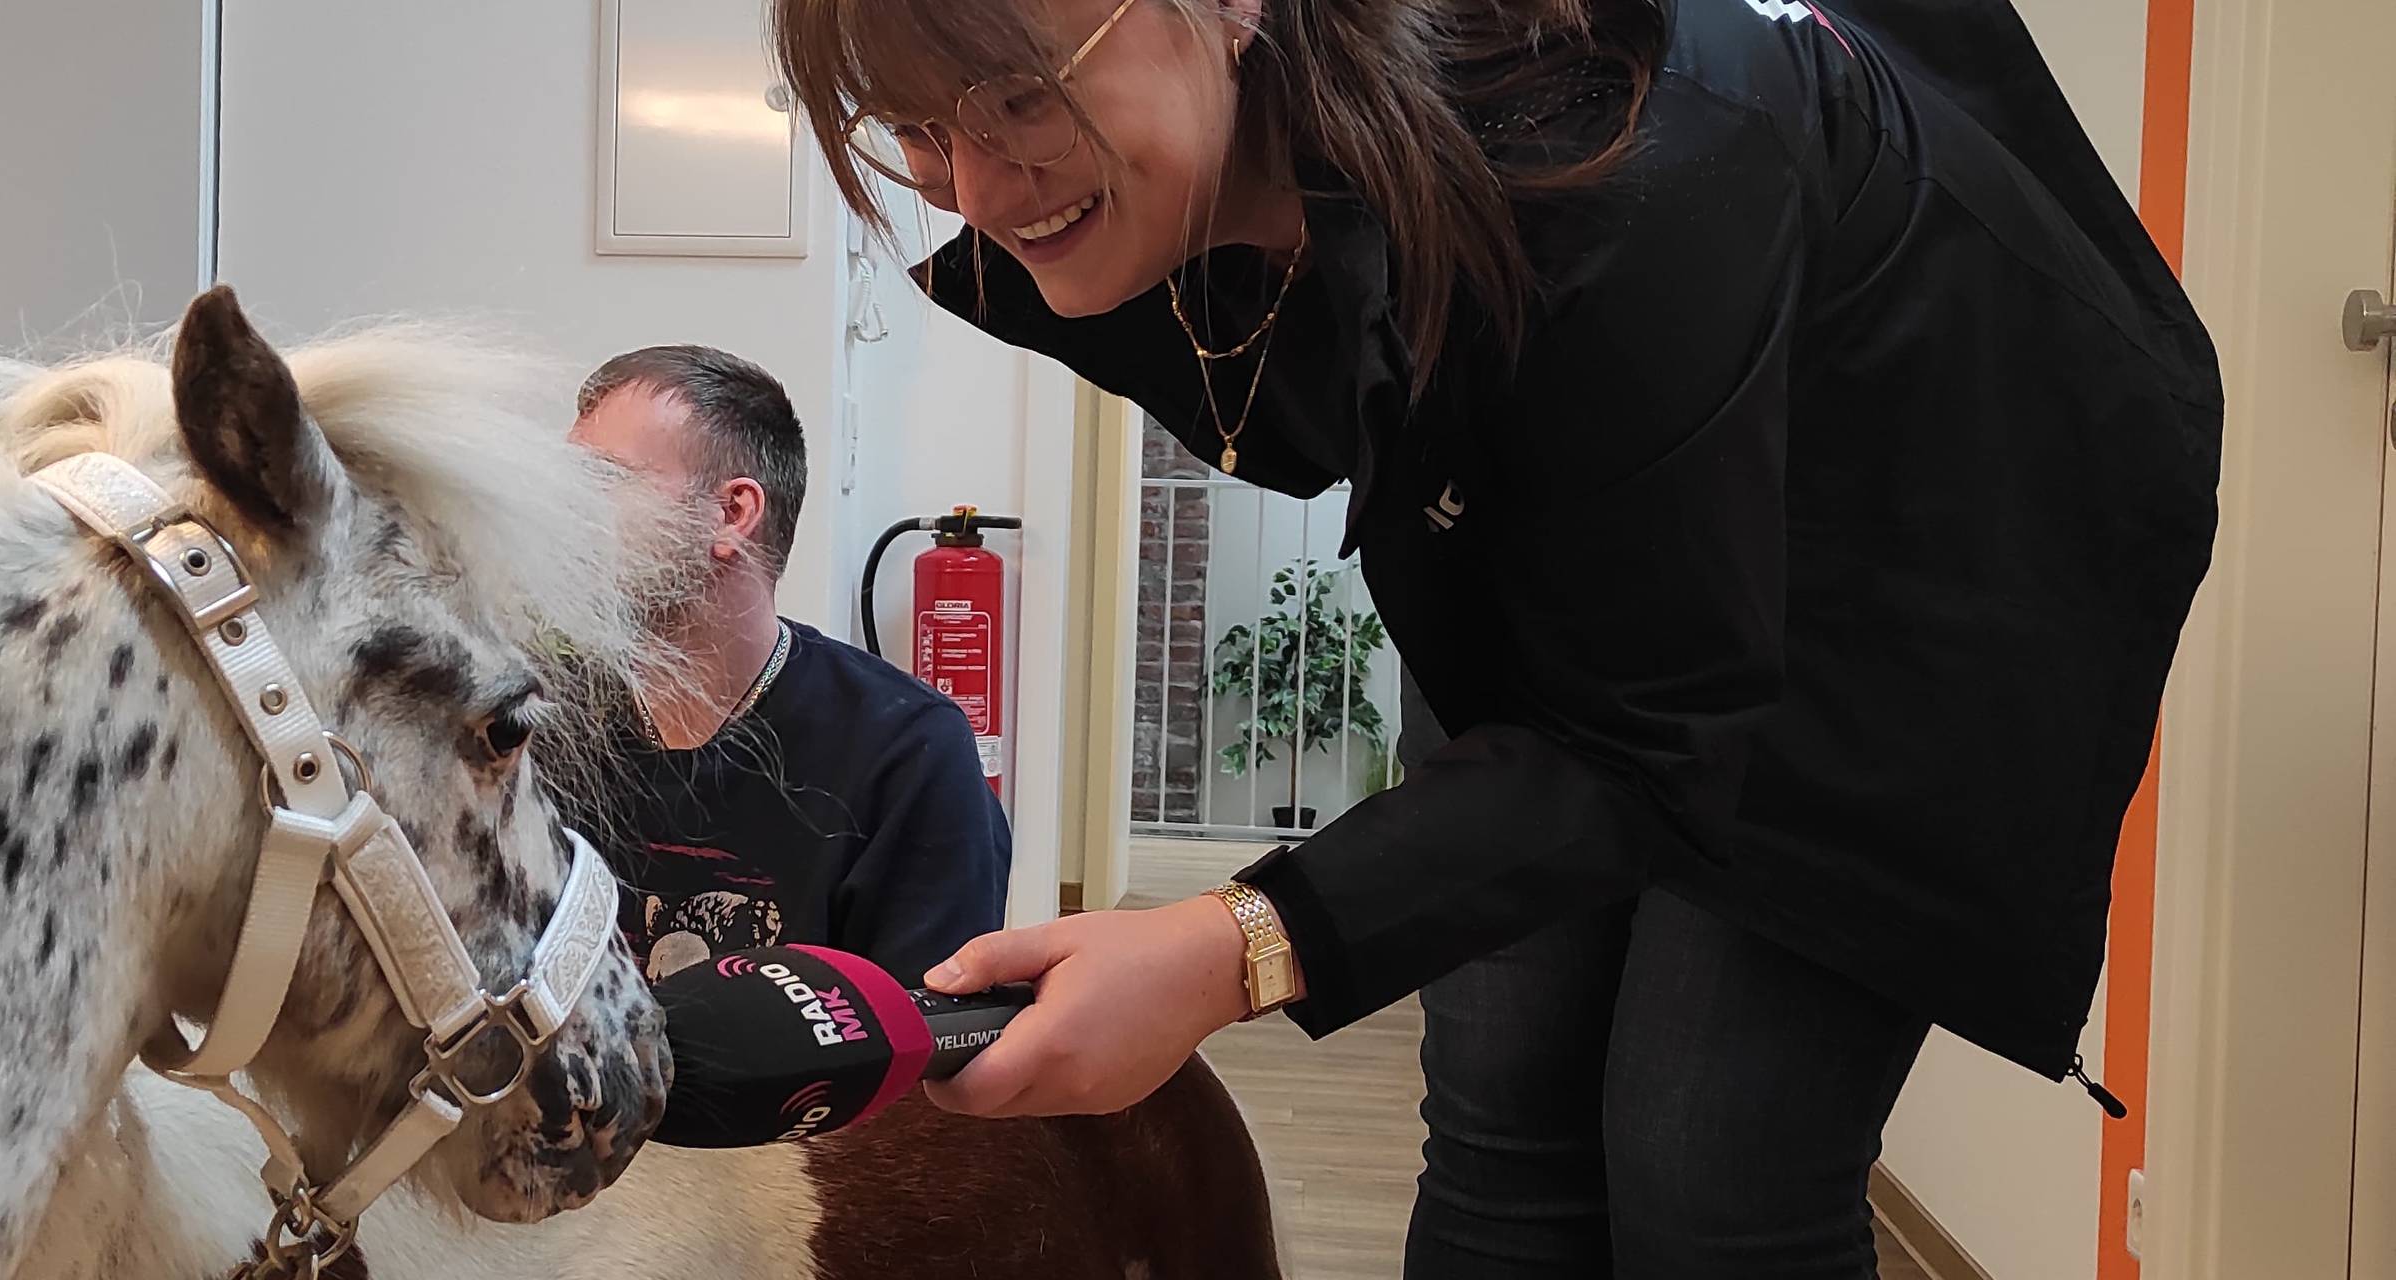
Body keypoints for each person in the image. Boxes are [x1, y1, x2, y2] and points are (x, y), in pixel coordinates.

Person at [770, 0, 2221, 1275]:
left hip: (1925, 531)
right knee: (1500, 1098)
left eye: (1018, 92)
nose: (970, 181)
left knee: (1709, 1166)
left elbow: (1636, 744)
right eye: (909, 125)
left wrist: (1236, 948)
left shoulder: (1620, 145)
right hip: (1595, 476)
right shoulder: (1260, 137)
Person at [569, 344, 1012, 988]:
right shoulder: (535, 723)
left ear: (731, 514)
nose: (560, 516)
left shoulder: (907, 753)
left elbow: (925, 1049)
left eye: (601, 483)